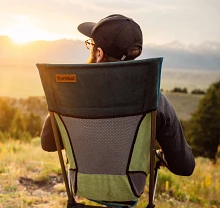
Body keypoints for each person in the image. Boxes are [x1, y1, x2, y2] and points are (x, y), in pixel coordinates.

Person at [41, 14, 195, 176]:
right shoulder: (154, 100)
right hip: (130, 187)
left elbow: (48, 143)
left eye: (91, 44)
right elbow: (184, 167)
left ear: (99, 53)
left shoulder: (71, 94)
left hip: (82, 184)